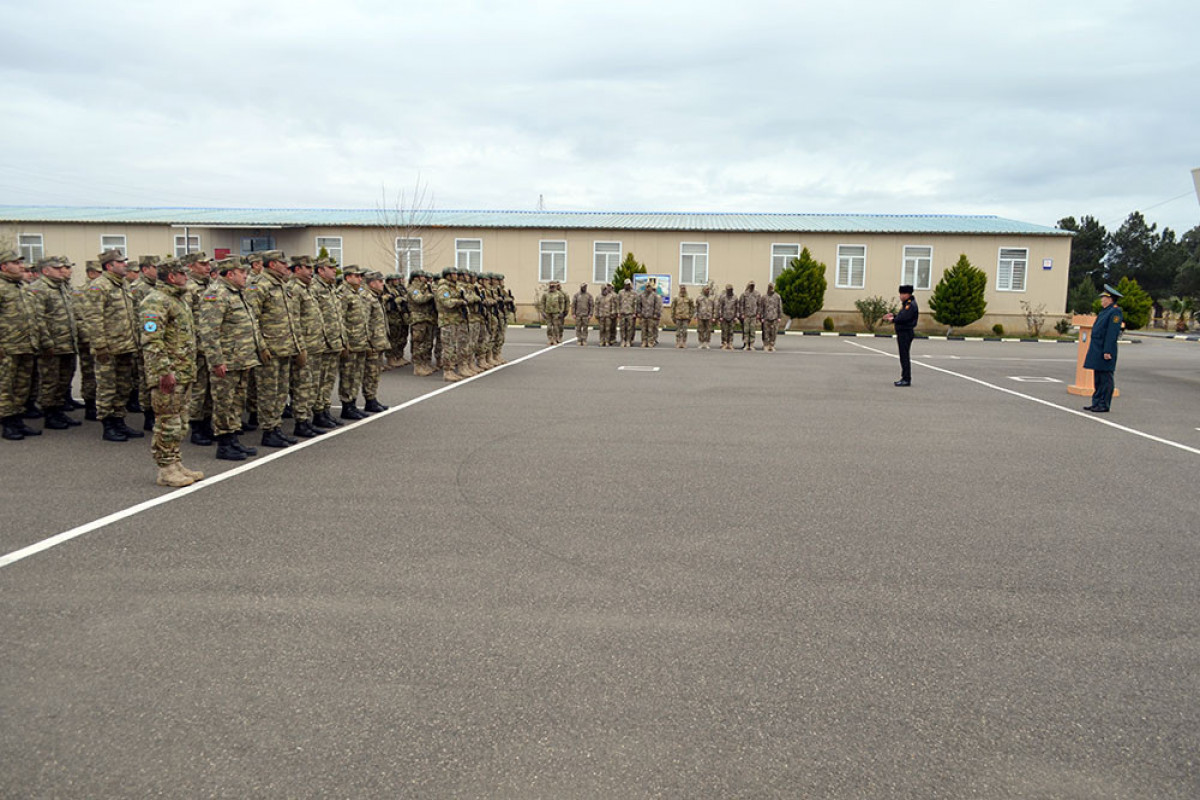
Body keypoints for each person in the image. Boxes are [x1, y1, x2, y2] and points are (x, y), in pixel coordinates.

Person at [140, 259, 205, 487]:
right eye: (182, 274)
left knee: (180, 422)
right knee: (167, 422)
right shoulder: (155, 302)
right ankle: (166, 468)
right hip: (168, 375)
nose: (186, 277)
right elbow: (152, 340)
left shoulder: (178, 300)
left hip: (183, 372)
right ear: (171, 277)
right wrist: (163, 371)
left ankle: (175, 462)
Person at [197, 257, 263, 461]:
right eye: (242, 272)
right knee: (224, 402)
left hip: (242, 359)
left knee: (236, 402)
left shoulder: (238, 294)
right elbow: (209, 332)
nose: (246, 275)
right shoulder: (216, 295)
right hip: (227, 360)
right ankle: (224, 443)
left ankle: (233, 439)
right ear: (230, 274)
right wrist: (216, 360)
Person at [82, 249, 146, 441]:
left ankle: (119, 420)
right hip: (109, 348)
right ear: (109, 266)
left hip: (126, 346)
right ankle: (108, 424)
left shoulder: (123, 285)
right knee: (107, 387)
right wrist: (100, 346)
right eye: (120, 262)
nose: (125, 265)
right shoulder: (99, 286)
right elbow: (93, 318)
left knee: (123, 386)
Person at [254, 250, 305, 446]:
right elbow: (253, 319)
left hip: (286, 348)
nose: (287, 267)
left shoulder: (282, 286)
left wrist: (298, 347)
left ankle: (276, 427)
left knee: (281, 391)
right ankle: (268, 430)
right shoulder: (260, 285)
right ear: (272, 264)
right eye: (283, 263)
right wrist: (261, 347)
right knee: (268, 392)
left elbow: (292, 320)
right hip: (270, 350)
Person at [28, 256, 81, 430]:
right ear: (46, 271)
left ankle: (59, 411)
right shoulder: (38, 289)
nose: (62, 271)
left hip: (67, 343)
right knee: (50, 380)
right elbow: (38, 318)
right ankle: (50, 414)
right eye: (57, 268)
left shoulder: (61, 287)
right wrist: (46, 342)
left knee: (64, 379)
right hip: (51, 345)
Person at [0, 249, 44, 440]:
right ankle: (7, 423)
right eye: (16, 263)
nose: (21, 266)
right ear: (4, 266)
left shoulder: (23, 287)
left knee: (22, 386)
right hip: (7, 347)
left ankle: (18, 419)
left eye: (20, 263)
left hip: (26, 345)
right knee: (5, 386)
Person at [309, 257, 347, 427]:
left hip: (333, 341)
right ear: (320, 270)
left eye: (334, 268)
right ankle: (317, 412)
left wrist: (342, 340)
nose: (334, 271)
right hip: (321, 342)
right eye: (330, 268)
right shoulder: (314, 288)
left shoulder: (331, 288)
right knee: (319, 379)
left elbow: (337, 317)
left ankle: (325, 409)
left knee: (329, 379)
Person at [1084, 284, 1124, 413]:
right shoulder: (1105, 311)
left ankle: (1104, 404)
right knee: (1098, 378)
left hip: (1105, 350)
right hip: (1097, 349)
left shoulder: (1115, 312)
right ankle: (1096, 402)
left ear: (1110, 299)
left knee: (1106, 378)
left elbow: (1112, 334)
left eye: (1104, 298)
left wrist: (1107, 350)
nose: (1102, 300)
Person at [883, 284, 918, 386]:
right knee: (903, 356)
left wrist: (893, 319)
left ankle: (906, 379)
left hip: (905, 333)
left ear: (907, 294)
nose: (900, 296)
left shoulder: (910, 305)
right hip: (903, 332)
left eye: (902, 294)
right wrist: (893, 316)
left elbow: (904, 318)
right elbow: (902, 316)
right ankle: (905, 377)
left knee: (904, 356)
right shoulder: (907, 304)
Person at [407, 269, 438, 376]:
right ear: (417, 277)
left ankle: (425, 363)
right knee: (418, 343)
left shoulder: (424, 287)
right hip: (418, 319)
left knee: (427, 343)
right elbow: (418, 299)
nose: (425, 278)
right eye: (423, 276)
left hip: (427, 318)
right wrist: (431, 295)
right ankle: (418, 366)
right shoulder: (413, 288)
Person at [538, 280, 569, 345]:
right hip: (548, 312)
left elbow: (562, 303)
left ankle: (555, 338)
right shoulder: (545, 294)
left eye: (553, 286)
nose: (552, 287)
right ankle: (550, 339)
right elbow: (542, 303)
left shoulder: (559, 294)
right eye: (550, 286)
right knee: (549, 327)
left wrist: (561, 311)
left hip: (556, 313)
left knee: (556, 327)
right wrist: (542, 312)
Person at [738, 281, 761, 351]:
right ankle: (746, 344)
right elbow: (741, 305)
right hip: (746, 315)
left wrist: (758, 314)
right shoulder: (744, 294)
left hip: (753, 315)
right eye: (751, 285)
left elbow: (759, 305)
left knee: (752, 330)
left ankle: (752, 344)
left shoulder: (757, 294)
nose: (752, 287)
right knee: (746, 330)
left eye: (753, 285)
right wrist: (742, 314)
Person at [636, 281, 661, 347]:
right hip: (643, 315)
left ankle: (650, 342)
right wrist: (638, 313)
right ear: (645, 287)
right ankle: (644, 341)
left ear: (651, 288)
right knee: (643, 330)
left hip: (651, 315)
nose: (648, 288)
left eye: (649, 287)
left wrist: (656, 313)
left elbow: (657, 305)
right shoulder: (641, 295)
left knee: (650, 330)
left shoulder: (654, 295)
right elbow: (639, 305)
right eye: (647, 287)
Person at [760, 283, 783, 352]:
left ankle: (771, 345)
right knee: (766, 332)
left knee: (773, 332)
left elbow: (780, 307)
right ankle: (766, 345)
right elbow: (761, 307)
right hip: (766, 317)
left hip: (774, 317)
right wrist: (762, 317)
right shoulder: (764, 297)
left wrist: (779, 317)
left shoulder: (777, 297)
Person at [716, 284, 739, 350]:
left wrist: (736, 316)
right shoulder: (723, 297)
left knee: (731, 331)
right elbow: (720, 307)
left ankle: (730, 343)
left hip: (732, 317)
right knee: (724, 331)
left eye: (731, 290)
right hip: (724, 316)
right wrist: (720, 316)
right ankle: (724, 343)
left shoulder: (735, 297)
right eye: (728, 290)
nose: (729, 291)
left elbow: (737, 307)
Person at [694, 284, 716, 349]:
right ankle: (701, 342)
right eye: (706, 290)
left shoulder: (712, 298)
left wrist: (714, 316)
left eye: (708, 289)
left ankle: (706, 342)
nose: (707, 291)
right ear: (703, 290)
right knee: (700, 330)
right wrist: (695, 315)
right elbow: (696, 307)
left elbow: (715, 307)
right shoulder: (699, 298)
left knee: (708, 330)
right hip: (701, 316)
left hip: (709, 316)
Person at [617, 279, 638, 346]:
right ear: (624, 285)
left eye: (629, 284)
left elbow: (635, 304)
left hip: (630, 313)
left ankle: (628, 340)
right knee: (622, 328)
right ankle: (623, 340)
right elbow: (618, 303)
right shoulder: (620, 292)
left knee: (630, 328)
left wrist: (635, 313)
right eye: (626, 285)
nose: (627, 286)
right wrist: (618, 312)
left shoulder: (634, 293)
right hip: (622, 312)